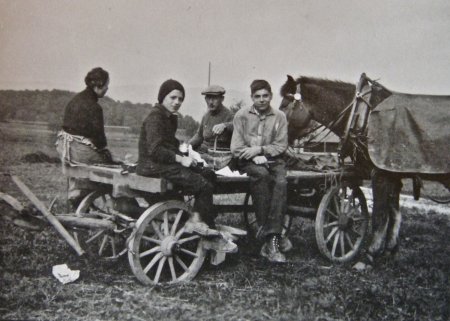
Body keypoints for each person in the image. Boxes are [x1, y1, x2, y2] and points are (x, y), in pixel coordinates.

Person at [136, 79, 237, 252]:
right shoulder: (156, 117)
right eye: (172, 97)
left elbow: (169, 142)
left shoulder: (169, 118)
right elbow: (156, 150)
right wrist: (181, 159)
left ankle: (205, 221)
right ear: (162, 97)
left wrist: (184, 150)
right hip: (153, 165)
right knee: (203, 186)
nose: (176, 102)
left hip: (163, 163)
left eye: (180, 99)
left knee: (208, 174)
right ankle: (197, 224)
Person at [231, 79, 289, 263]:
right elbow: (236, 147)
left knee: (281, 182)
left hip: (273, 159)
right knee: (261, 175)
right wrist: (252, 155)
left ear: (271, 96)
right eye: (257, 96)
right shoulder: (241, 115)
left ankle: (270, 236)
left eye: (265, 96)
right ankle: (270, 236)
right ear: (252, 98)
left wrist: (262, 150)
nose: (262, 100)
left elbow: (281, 145)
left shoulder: (280, 116)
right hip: (247, 160)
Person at [56, 67, 114, 208]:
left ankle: (78, 196)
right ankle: (86, 198)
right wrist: (108, 156)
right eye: (106, 85)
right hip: (79, 151)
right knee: (111, 169)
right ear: (98, 85)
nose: (107, 88)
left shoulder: (75, 100)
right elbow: (100, 140)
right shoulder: (94, 107)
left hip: (64, 147)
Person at [189, 85, 234, 153]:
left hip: (220, 155)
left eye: (215, 98)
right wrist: (188, 145)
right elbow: (199, 136)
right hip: (203, 152)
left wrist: (225, 125)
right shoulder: (206, 116)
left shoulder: (229, 115)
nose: (210, 102)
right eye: (208, 98)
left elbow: (239, 127)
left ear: (222, 99)